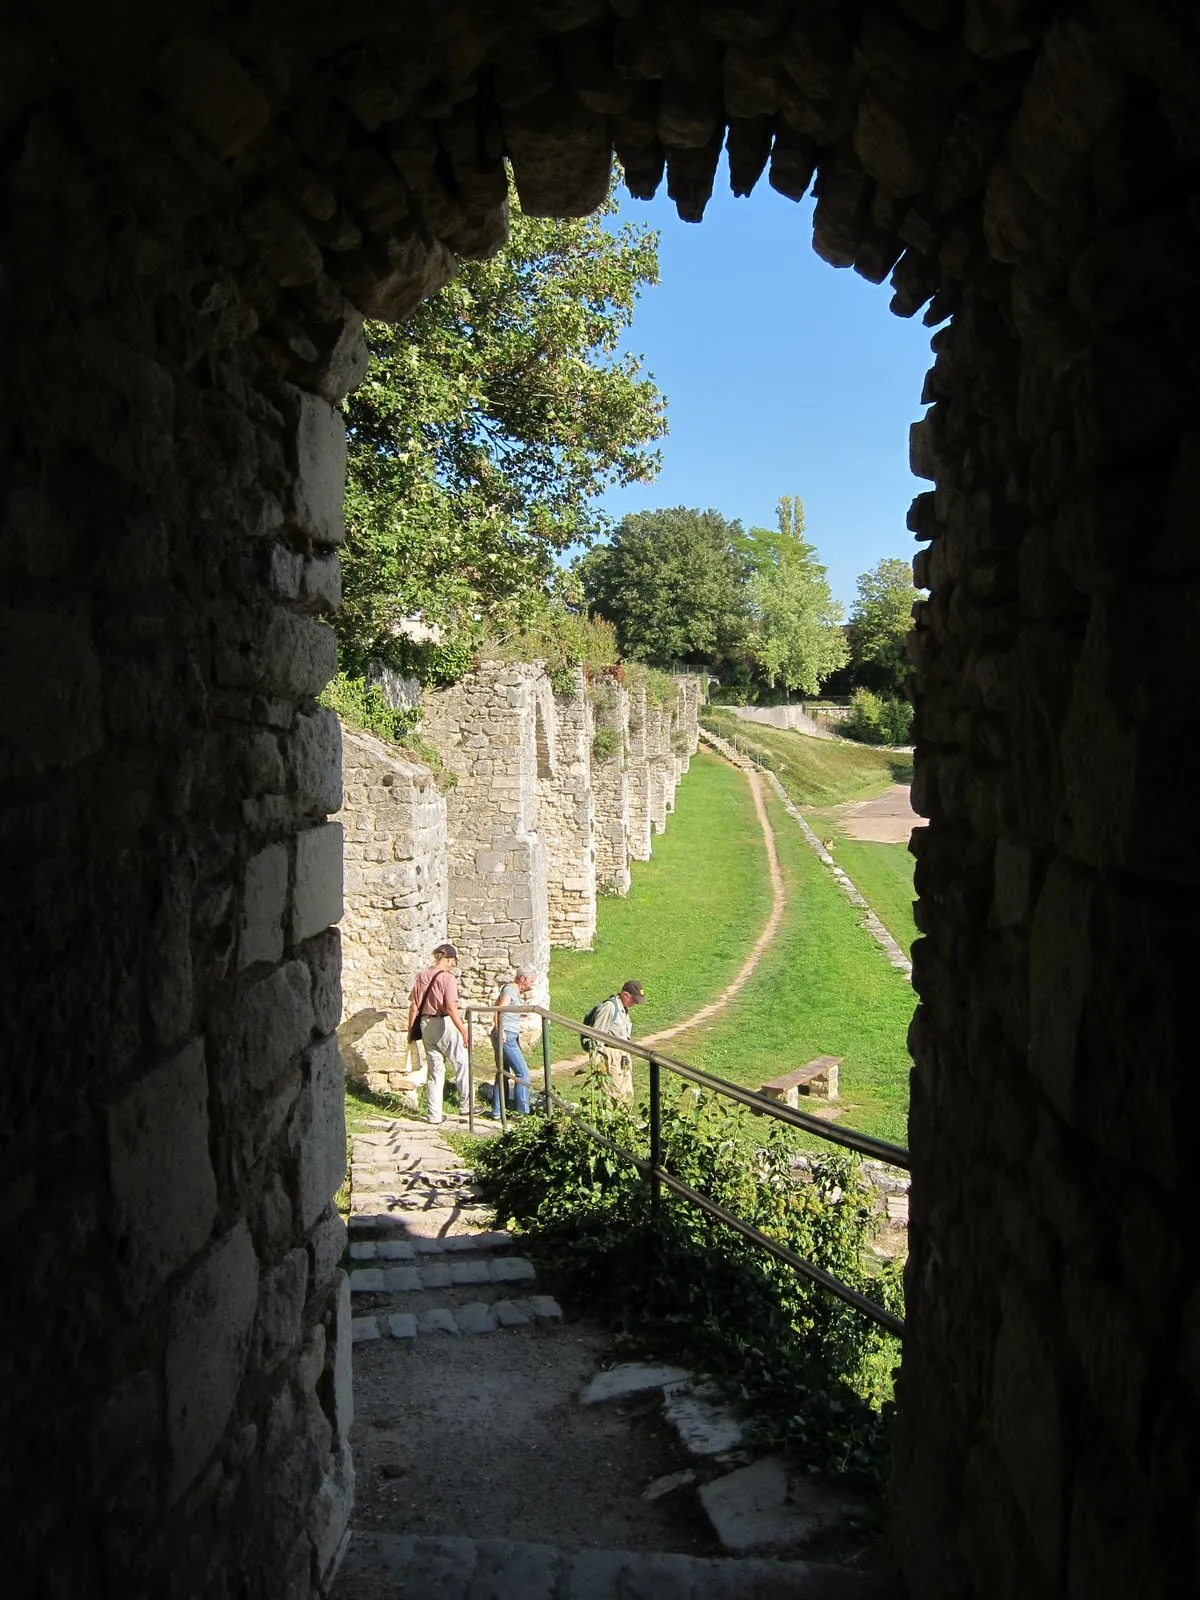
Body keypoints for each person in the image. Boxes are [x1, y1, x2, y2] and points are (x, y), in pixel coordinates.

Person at [408, 942, 471, 1124]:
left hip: (426, 1023)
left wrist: (411, 1029)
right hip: (442, 1022)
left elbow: (414, 1006)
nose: (452, 964)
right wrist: (464, 1030)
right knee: (461, 1061)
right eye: (452, 961)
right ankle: (466, 1105)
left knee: (435, 1070)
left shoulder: (421, 976)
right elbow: (451, 1008)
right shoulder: (447, 979)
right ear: (448, 959)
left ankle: (434, 1115)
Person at [483, 966, 536, 1119]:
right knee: (523, 1074)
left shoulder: (509, 990)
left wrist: (518, 1014)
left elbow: (500, 1007)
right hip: (507, 1037)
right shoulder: (510, 991)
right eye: (531, 981)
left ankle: (497, 1111)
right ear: (522, 979)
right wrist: (501, 1030)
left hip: (504, 1034)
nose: (531, 985)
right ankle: (522, 1113)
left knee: (503, 1072)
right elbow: (499, 1009)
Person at [586, 980, 645, 1102]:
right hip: (611, 1057)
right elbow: (596, 1035)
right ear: (625, 995)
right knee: (616, 1096)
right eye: (635, 1000)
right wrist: (597, 1062)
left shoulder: (623, 1009)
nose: (636, 1003)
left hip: (623, 1058)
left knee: (628, 1097)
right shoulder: (609, 1008)